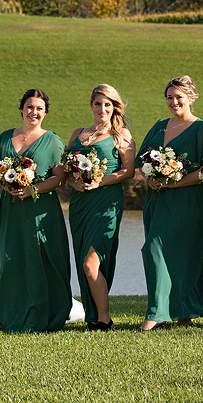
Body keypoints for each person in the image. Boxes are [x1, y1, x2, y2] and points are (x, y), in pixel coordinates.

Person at [138, 75, 203, 331]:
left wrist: (174, 182)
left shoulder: (202, 129)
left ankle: (169, 314)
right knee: (154, 250)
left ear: (191, 97)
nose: (174, 102)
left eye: (179, 97)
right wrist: (149, 177)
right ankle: (164, 311)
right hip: (159, 202)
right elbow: (142, 161)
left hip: (190, 203)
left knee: (184, 256)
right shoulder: (158, 126)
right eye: (169, 97)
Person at [0, 89, 72, 333]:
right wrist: (5, 185)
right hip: (12, 210)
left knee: (41, 259)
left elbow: (60, 178)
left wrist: (32, 190)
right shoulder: (5, 138)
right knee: (13, 259)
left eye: (39, 108)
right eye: (29, 107)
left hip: (41, 209)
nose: (34, 112)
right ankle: (13, 315)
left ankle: (46, 314)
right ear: (21, 109)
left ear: (45, 112)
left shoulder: (53, 141)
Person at [64, 83, 134, 331]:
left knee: (91, 262)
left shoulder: (121, 135)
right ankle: (93, 317)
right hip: (80, 204)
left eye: (108, 104)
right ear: (91, 105)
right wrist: (76, 182)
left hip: (106, 203)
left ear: (114, 107)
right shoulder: (77, 134)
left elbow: (128, 171)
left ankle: (104, 319)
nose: (102, 109)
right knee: (82, 258)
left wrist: (99, 181)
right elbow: (66, 172)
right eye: (98, 103)